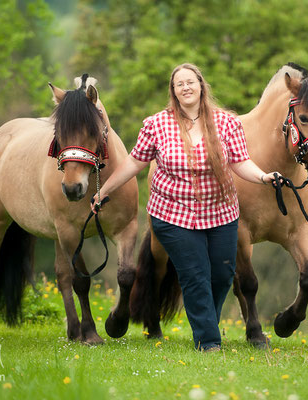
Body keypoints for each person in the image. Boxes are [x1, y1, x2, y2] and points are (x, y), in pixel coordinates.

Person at [91, 63, 280, 351]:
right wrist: (103, 190)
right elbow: (133, 163)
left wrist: (265, 177)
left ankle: (207, 325)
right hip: (172, 215)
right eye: (179, 84)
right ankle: (208, 342)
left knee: (222, 275)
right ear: (174, 91)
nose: (186, 87)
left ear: (201, 85)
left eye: (190, 81)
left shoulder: (227, 123)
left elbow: (241, 162)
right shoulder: (156, 124)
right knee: (196, 274)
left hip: (221, 214)